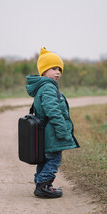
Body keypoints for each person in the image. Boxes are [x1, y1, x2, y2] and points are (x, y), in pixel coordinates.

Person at [25, 47, 80, 198]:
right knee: (54, 159)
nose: (57, 72)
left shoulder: (43, 87)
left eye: (59, 69)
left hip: (46, 133)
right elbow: (53, 111)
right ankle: (43, 185)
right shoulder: (48, 87)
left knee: (45, 159)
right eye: (53, 68)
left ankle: (42, 184)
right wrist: (63, 131)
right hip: (52, 133)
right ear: (43, 70)